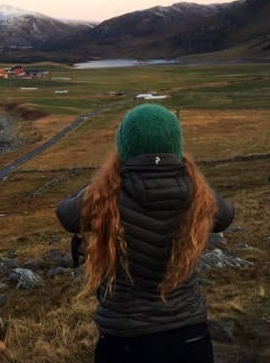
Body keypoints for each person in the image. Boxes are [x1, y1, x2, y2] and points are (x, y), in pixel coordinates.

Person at [56, 104, 234, 363]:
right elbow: (226, 216)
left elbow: (66, 214)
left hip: (125, 339)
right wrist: (188, 176)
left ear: (124, 149)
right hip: (189, 334)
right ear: (176, 147)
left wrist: (107, 177)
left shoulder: (105, 197)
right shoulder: (197, 193)